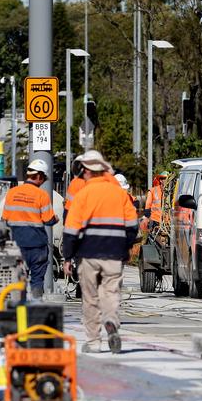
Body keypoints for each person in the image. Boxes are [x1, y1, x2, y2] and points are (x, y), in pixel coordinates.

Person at [62, 151, 138, 354]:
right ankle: (111, 320)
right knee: (111, 292)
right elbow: (132, 225)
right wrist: (126, 247)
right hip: (114, 252)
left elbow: (71, 230)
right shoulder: (120, 194)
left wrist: (68, 257)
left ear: (87, 171)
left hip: (88, 253)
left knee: (90, 297)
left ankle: (94, 342)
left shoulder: (83, 195)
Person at [2, 159, 58, 300]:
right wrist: (56, 218)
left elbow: (5, 219)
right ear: (39, 176)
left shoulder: (12, 193)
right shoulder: (41, 195)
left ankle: (18, 308)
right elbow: (49, 220)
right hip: (36, 245)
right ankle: (36, 305)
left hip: (16, 244)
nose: (43, 181)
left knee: (17, 278)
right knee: (37, 280)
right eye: (44, 178)